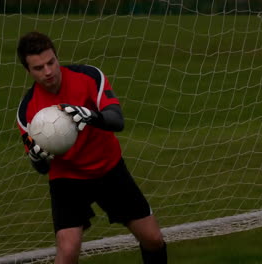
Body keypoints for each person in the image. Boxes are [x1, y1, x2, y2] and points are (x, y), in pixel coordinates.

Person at [16, 31, 167, 264]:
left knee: (153, 239)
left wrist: (89, 115)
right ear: (28, 71)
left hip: (109, 169)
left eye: (50, 63)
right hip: (67, 179)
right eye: (38, 68)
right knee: (67, 252)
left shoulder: (89, 76)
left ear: (57, 58)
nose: (48, 72)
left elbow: (117, 120)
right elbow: (41, 168)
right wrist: (37, 157)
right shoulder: (27, 112)